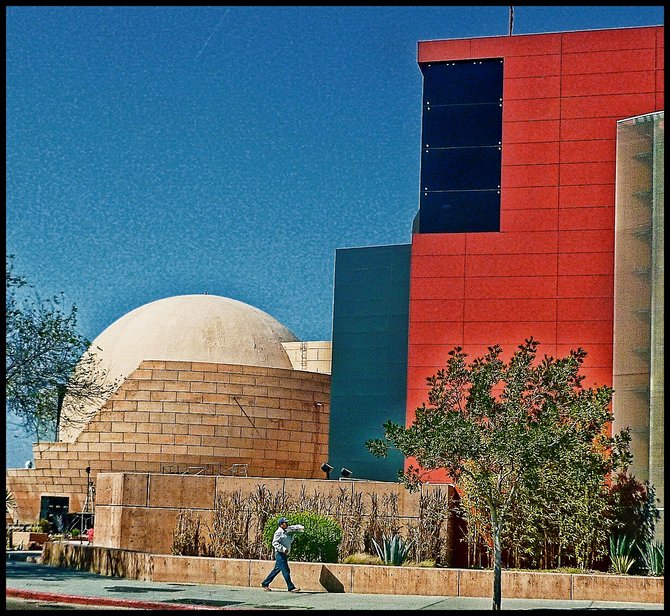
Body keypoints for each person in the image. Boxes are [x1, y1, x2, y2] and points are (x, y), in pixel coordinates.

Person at [261, 517, 304, 592]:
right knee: (285, 570)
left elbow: (289, 541)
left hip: (284, 554)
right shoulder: (278, 532)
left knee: (276, 570)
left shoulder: (286, 531)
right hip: (280, 553)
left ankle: (265, 583)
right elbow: (274, 543)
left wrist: (292, 534)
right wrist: (283, 549)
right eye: (285, 523)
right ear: (281, 524)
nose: (287, 524)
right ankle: (291, 587)